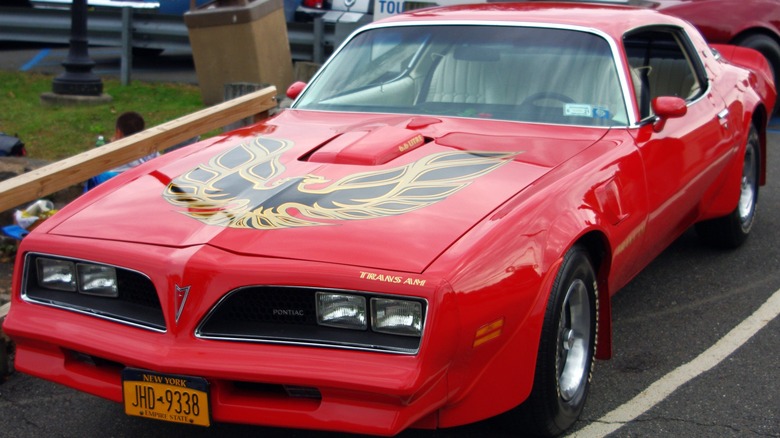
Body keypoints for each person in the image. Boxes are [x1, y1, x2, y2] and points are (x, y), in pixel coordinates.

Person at [85, 111, 159, 191]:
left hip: (124, 188)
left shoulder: (115, 153)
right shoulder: (151, 149)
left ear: (118, 132)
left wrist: (111, 146)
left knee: (96, 176)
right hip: (150, 185)